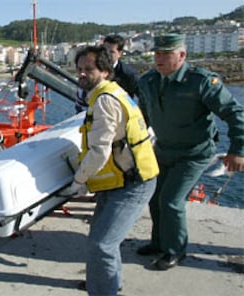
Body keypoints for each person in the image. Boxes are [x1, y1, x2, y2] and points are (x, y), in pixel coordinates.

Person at [137, 33, 244, 271]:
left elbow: (234, 113)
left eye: (166, 53)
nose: (159, 58)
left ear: (182, 55)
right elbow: (141, 116)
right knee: (155, 198)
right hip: (163, 149)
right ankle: (159, 242)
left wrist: (238, 149)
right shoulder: (148, 82)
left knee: (171, 201)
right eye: (156, 53)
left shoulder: (201, 82)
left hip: (195, 153)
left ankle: (175, 250)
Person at [65, 45, 159, 295]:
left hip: (132, 182)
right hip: (122, 178)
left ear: (105, 71)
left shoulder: (104, 100)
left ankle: (103, 290)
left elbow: (99, 152)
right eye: (80, 69)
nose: (82, 74)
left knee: (102, 244)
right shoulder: (113, 92)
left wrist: (79, 180)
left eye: (88, 69)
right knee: (102, 238)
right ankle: (106, 284)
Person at [75, 34, 139, 113]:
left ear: (120, 54)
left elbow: (143, 97)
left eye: (111, 52)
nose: (107, 54)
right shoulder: (87, 74)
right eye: (104, 50)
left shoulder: (129, 74)